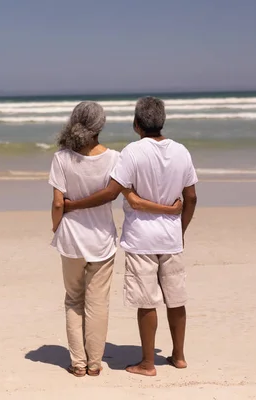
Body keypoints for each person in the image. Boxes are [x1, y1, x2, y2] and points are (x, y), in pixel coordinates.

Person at [64, 97, 198, 377]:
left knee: (146, 301)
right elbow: (191, 197)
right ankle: (179, 355)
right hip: (171, 237)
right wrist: (180, 228)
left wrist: (72, 205)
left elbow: (112, 192)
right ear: (162, 122)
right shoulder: (182, 152)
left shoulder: (132, 153)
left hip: (141, 239)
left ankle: (148, 363)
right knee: (176, 298)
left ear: (136, 124)